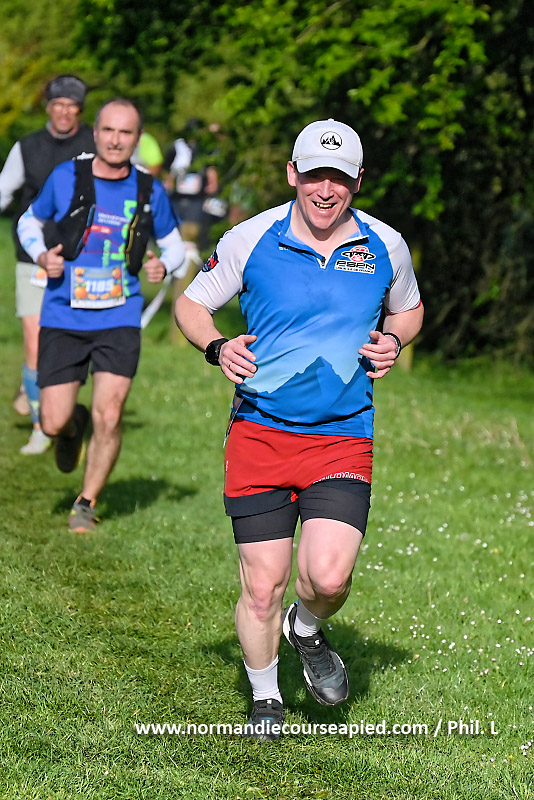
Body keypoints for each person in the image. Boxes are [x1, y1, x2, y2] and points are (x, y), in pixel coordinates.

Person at [175, 119, 424, 740]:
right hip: (259, 434)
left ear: (357, 181)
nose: (325, 189)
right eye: (314, 174)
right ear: (293, 174)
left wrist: (394, 339)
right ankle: (266, 698)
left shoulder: (385, 244)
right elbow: (191, 303)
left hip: (342, 435)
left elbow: (410, 308)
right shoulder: (250, 238)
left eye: (338, 177)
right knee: (263, 587)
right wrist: (217, 347)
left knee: (328, 579)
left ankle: (306, 627)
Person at [17, 98, 186, 532]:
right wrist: (42, 256)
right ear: (95, 133)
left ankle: (86, 503)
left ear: (137, 138)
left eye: (125, 132)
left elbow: (173, 245)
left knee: (109, 414)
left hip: (120, 316)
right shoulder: (66, 177)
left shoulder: (148, 190)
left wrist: (164, 265)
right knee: (52, 420)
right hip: (64, 314)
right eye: (108, 130)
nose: (115, 140)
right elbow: (27, 222)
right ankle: (70, 426)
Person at [0, 74, 95, 454]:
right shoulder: (27, 148)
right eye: (58, 105)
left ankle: (54, 402)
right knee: (35, 339)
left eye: (72, 106)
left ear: (80, 111)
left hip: (86, 259)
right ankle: (42, 425)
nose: (64, 113)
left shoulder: (96, 144)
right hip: (34, 258)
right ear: (48, 108)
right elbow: (4, 191)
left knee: (74, 341)